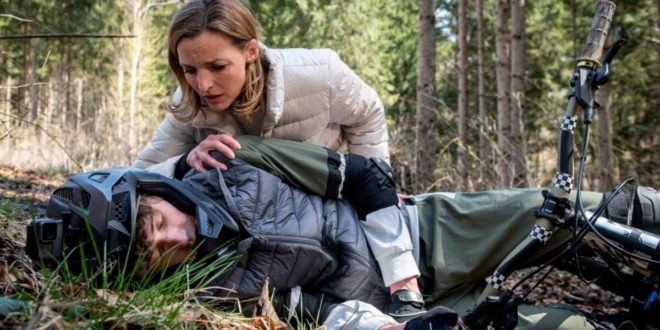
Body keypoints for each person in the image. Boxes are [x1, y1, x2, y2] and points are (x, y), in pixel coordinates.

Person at [29, 138, 654, 329]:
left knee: (583, 213)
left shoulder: (237, 163)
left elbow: (365, 179)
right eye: (147, 257)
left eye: (153, 223)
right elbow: (324, 317)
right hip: (421, 316)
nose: (168, 241)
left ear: (153, 193)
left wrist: (405, 280)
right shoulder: (212, 299)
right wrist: (405, 323)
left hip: (424, 232)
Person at [131, 0, 423, 318]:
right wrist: (185, 161)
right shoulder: (190, 106)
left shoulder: (319, 74)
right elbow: (137, 176)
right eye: (189, 70)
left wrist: (373, 180)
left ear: (251, 52)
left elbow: (368, 114)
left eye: (217, 67)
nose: (203, 85)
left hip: (341, 205)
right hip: (284, 253)